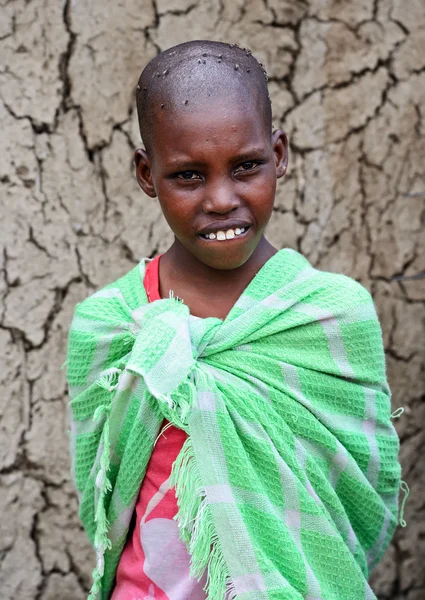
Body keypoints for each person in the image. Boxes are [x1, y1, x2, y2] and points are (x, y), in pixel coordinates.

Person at [66, 40, 402, 600]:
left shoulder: (329, 317)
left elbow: (361, 499)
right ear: (147, 175)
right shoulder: (111, 327)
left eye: (246, 166)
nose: (222, 199)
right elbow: (102, 497)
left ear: (280, 155)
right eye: (189, 176)